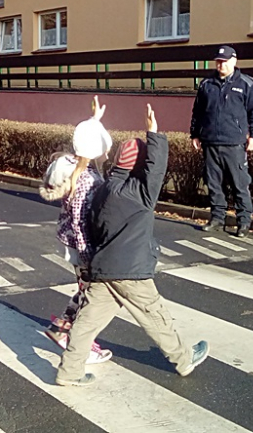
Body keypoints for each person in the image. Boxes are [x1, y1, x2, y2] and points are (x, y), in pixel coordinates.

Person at [55, 104, 209, 387]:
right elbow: (157, 168)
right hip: (130, 271)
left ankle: (69, 371)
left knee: (87, 322)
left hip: (104, 268)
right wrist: (154, 134)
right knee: (156, 316)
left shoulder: (102, 188)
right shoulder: (140, 193)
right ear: (139, 166)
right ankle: (184, 359)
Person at [40, 96, 113, 364]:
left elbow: (84, 140)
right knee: (91, 296)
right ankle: (80, 346)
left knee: (86, 291)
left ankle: (61, 328)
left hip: (72, 243)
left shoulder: (72, 165)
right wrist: (88, 256)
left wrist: (94, 120)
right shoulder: (87, 179)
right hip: (82, 246)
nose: (108, 154)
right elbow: (81, 222)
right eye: (105, 149)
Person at [190, 45, 253, 237]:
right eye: (218, 61)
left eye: (224, 61)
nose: (220, 64)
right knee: (214, 184)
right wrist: (195, 134)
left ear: (234, 61)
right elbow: (197, 112)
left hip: (234, 143)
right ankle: (217, 219)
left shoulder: (246, 83)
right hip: (210, 142)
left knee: (240, 184)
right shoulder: (206, 84)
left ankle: (243, 222)